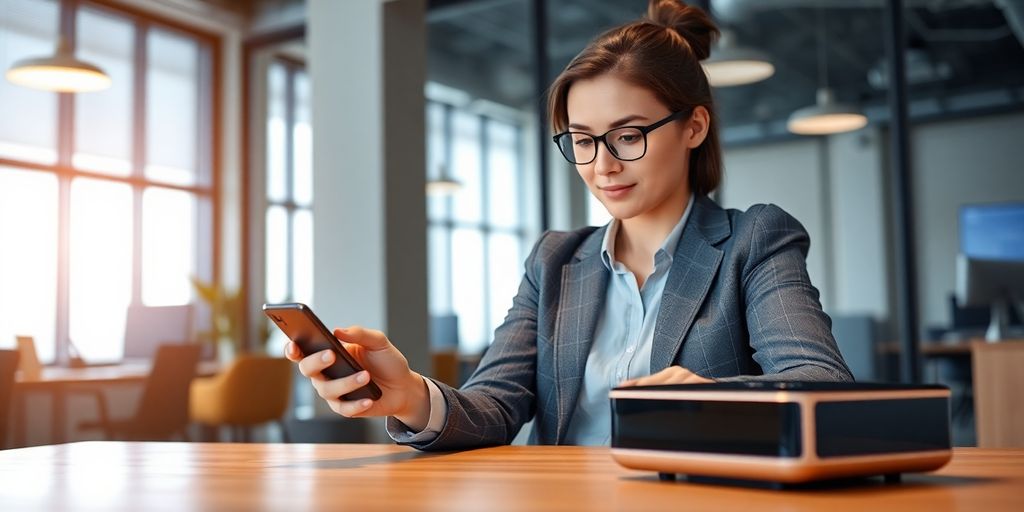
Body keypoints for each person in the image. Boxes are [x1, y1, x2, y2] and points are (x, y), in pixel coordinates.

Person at [285, 0, 853, 450]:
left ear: (695, 127)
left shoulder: (754, 241)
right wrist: (407, 394)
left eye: (628, 135)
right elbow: (496, 406)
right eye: (582, 141)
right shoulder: (555, 261)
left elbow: (822, 384)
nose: (603, 164)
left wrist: (718, 399)